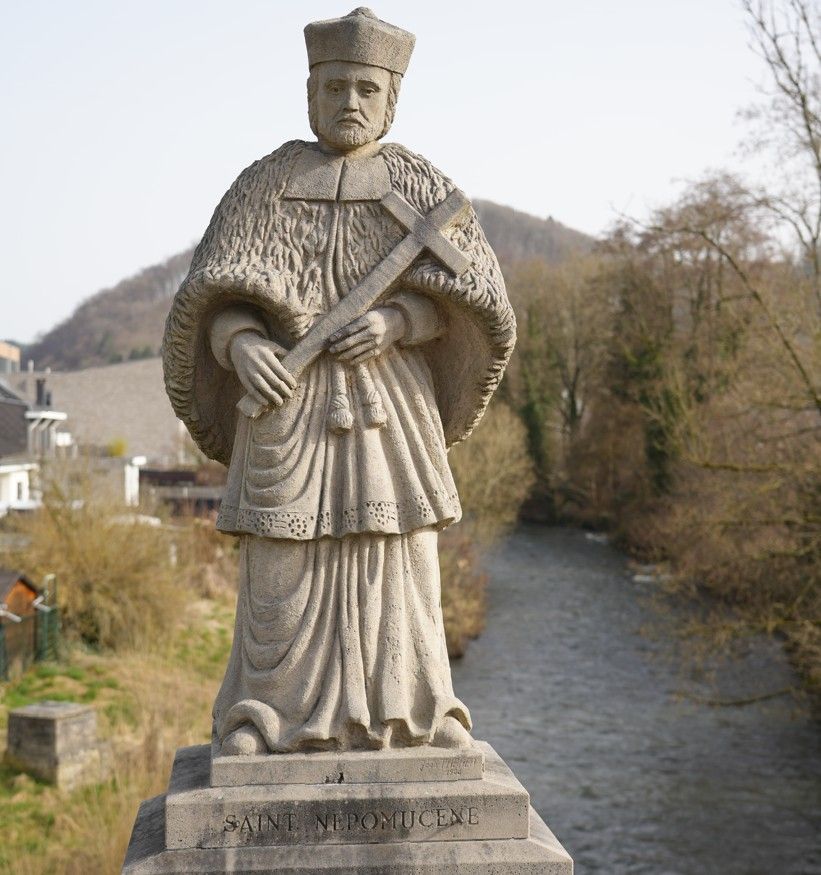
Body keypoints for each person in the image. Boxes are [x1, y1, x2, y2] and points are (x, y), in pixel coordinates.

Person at [162, 7, 515, 756]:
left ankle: (420, 713)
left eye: (365, 88)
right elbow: (209, 298)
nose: (349, 101)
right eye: (333, 87)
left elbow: (476, 303)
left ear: (391, 99)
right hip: (286, 408)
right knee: (280, 566)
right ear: (310, 92)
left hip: (388, 405)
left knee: (400, 558)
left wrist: (400, 321)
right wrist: (239, 342)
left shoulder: (423, 186)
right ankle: (261, 717)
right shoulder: (263, 185)